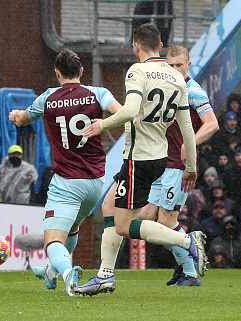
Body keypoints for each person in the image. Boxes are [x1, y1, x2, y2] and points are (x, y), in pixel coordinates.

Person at [75, 24, 205, 296]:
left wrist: (102, 125)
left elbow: (131, 109)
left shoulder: (138, 71)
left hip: (139, 158)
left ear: (136, 45)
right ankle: (105, 276)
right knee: (109, 206)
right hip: (157, 158)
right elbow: (187, 130)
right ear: (160, 46)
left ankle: (186, 241)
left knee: (123, 225)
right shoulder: (177, 78)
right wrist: (191, 167)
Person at [8, 48, 121, 296]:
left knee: (53, 241)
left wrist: (15, 115)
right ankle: (50, 274)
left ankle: (68, 274)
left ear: (57, 73)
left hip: (67, 181)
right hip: (94, 182)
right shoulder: (98, 93)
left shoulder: (48, 98)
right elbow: (120, 112)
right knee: (72, 229)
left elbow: (23, 119)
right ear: (81, 71)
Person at [137, 45, 218, 286]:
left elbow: (212, 124)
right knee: (146, 217)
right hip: (161, 162)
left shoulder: (193, 89)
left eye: (179, 65)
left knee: (166, 221)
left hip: (178, 166)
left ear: (188, 66)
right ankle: (185, 265)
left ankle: (190, 271)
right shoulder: (166, 88)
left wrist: (189, 143)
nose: (174, 70)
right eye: (170, 66)